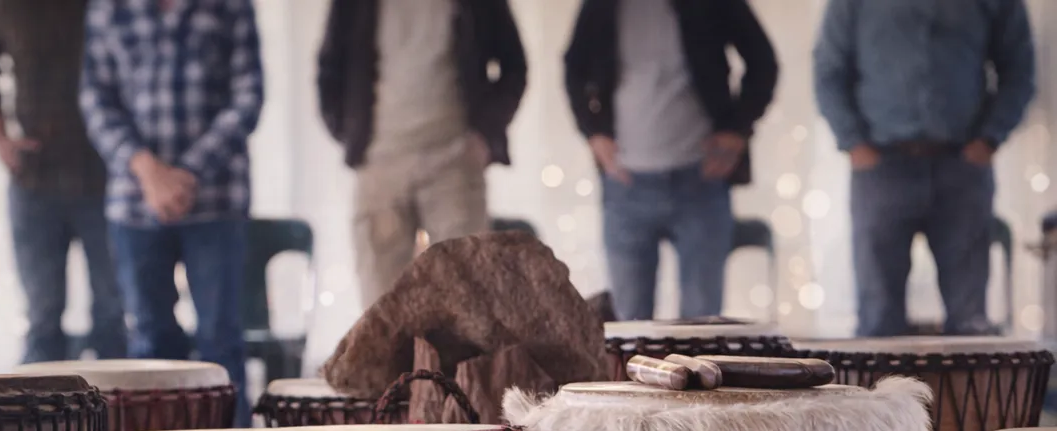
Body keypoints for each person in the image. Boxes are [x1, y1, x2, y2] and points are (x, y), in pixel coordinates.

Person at [80, 0, 262, 424]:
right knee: (150, 344)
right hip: (134, 202)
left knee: (221, 341)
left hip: (218, 200)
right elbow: (96, 100)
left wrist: (187, 175)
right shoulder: (108, 9)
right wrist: (147, 169)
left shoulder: (230, 6)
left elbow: (248, 96)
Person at [815, 0, 1035, 338]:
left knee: (969, 321)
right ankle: (876, 393)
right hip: (881, 167)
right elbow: (829, 71)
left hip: (961, 166)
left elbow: (1019, 69)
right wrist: (855, 143)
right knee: (878, 319)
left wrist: (989, 139)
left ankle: (965, 393)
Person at [565, 0, 777, 321]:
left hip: (700, 177)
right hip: (625, 181)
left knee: (703, 324)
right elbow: (574, 67)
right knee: (628, 324)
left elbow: (763, 62)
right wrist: (593, 131)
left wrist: (737, 128)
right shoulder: (602, 5)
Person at [317, 0, 527, 307]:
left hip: (454, 162)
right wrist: (352, 134)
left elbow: (513, 65)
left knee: (468, 299)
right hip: (380, 163)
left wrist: (485, 132)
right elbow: (330, 69)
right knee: (380, 307)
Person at [0, 0, 125, 365]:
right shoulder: (10, 7)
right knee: (43, 318)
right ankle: (39, 421)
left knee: (111, 317)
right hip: (34, 179)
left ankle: (119, 419)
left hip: (104, 178)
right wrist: (0, 138)